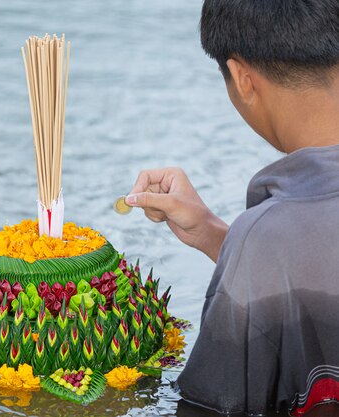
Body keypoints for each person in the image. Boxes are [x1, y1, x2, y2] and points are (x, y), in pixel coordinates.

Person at [125, 0, 339, 415]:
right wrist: (216, 236)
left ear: (242, 78)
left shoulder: (267, 241)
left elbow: (210, 405)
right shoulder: (266, 243)